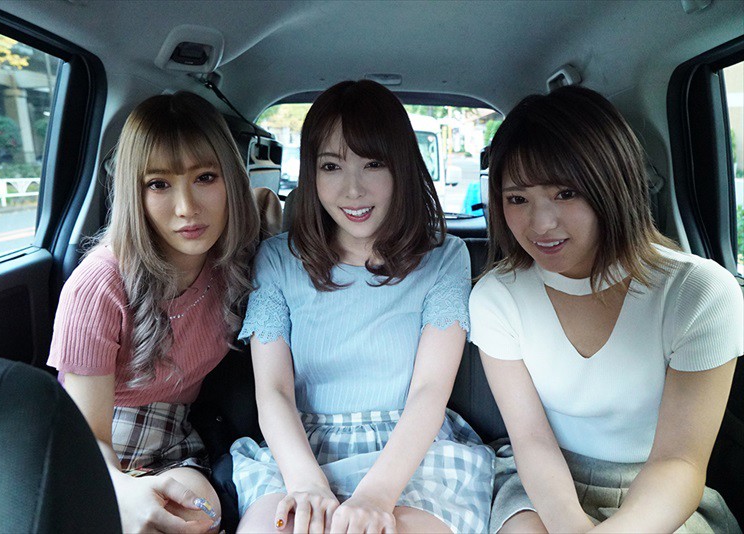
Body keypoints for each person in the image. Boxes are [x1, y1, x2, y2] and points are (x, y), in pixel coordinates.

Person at [470, 85, 743, 533]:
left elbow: (679, 460)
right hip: (541, 483)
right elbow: (531, 440)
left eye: (566, 193)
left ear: (614, 185)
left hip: (656, 491)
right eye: (517, 199)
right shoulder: (497, 296)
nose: (541, 224)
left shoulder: (698, 293)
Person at [230, 79, 494, 534]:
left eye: (373, 164)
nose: (352, 190)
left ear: (402, 168)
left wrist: (377, 495)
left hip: (411, 450)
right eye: (332, 166)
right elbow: (273, 391)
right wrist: (306, 484)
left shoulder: (443, 256)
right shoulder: (277, 259)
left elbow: (429, 390)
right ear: (311, 174)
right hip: (299, 449)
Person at [48, 91, 259, 533]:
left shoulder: (234, 264)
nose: (187, 208)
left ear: (231, 180)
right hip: (95, 445)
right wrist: (124, 492)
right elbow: (89, 438)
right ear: (134, 193)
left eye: (205, 177)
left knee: (198, 517)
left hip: (174, 437)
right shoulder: (99, 285)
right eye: (159, 184)